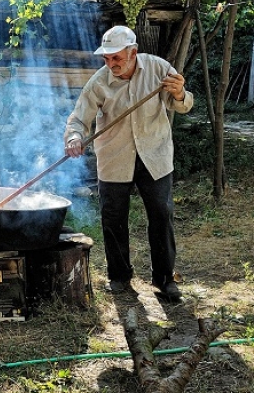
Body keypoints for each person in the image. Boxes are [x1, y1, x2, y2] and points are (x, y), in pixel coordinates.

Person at [64, 26, 193, 300]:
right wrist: (75, 137)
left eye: (117, 59)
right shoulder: (99, 82)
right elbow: (78, 119)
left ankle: (164, 278)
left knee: (161, 213)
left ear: (133, 53)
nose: (111, 64)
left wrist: (180, 93)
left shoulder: (159, 69)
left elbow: (181, 105)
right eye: (107, 59)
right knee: (113, 218)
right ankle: (120, 277)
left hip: (154, 155)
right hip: (114, 157)